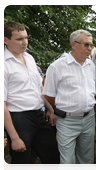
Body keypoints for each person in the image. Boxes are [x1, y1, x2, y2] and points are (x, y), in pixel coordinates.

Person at [4, 21, 59, 170]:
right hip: (18, 118)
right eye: (19, 39)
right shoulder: (3, 64)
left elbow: (38, 87)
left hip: (38, 115)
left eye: (26, 38)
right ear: (5, 40)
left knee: (52, 156)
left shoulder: (29, 58)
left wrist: (50, 109)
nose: (24, 42)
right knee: (21, 162)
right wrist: (14, 138)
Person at [43, 29, 96, 170]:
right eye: (86, 45)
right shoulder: (57, 66)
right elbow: (48, 95)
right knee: (66, 163)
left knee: (86, 160)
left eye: (91, 45)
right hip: (67, 121)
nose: (89, 48)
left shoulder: (90, 65)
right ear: (74, 44)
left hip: (89, 118)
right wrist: (63, 108)